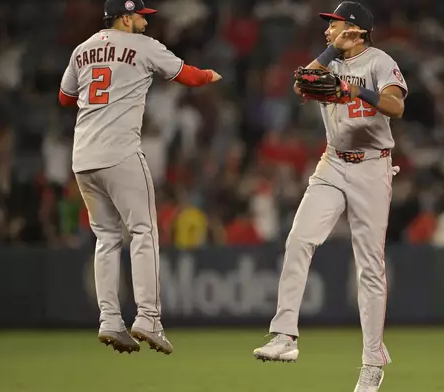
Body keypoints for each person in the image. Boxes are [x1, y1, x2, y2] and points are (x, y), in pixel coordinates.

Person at [252, 2, 407, 391]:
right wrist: (330, 54)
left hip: (372, 166)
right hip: (333, 162)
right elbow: (300, 82)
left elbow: (396, 105)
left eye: (334, 25)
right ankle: (285, 336)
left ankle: (373, 361)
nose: (327, 30)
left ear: (355, 30)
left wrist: (355, 87)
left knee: (370, 266)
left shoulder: (379, 61)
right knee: (299, 237)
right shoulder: (331, 61)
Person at [58, 0, 221, 354]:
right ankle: (148, 317)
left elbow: (64, 98)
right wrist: (211, 75)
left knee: (106, 238)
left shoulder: (82, 49)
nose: (145, 24)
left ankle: (109, 320)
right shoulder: (142, 46)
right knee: (144, 231)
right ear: (125, 17)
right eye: (140, 18)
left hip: (84, 157)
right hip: (121, 153)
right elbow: (188, 77)